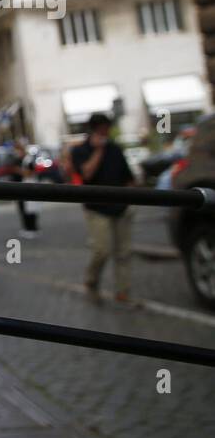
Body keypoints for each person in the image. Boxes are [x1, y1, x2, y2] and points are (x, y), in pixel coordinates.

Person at [71, 113, 135, 303]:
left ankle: (123, 292)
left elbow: (128, 177)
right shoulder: (81, 150)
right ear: (94, 130)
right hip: (96, 208)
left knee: (123, 252)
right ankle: (92, 281)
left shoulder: (115, 149)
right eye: (102, 129)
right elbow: (87, 174)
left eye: (107, 128)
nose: (105, 132)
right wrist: (98, 151)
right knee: (102, 250)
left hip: (121, 207)